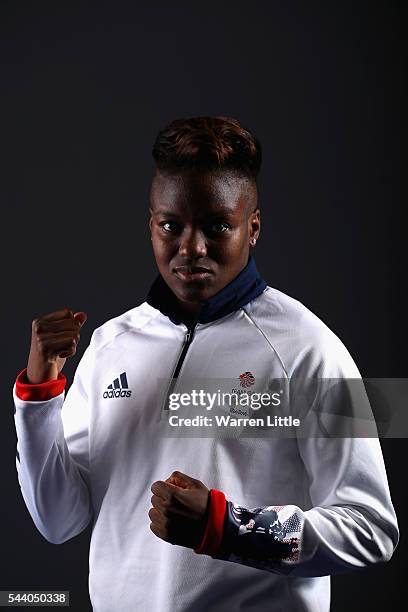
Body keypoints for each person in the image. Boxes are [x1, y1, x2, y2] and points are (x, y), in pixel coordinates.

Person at [12, 116, 399, 612]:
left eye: (217, 226)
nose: (191, 249)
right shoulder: (109, 344)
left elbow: (372, 528)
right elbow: (58, 519)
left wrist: (228, 528)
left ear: (252, 228)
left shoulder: (313, 349)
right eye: (172, 226)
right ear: (151, 224)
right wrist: (40, 391)